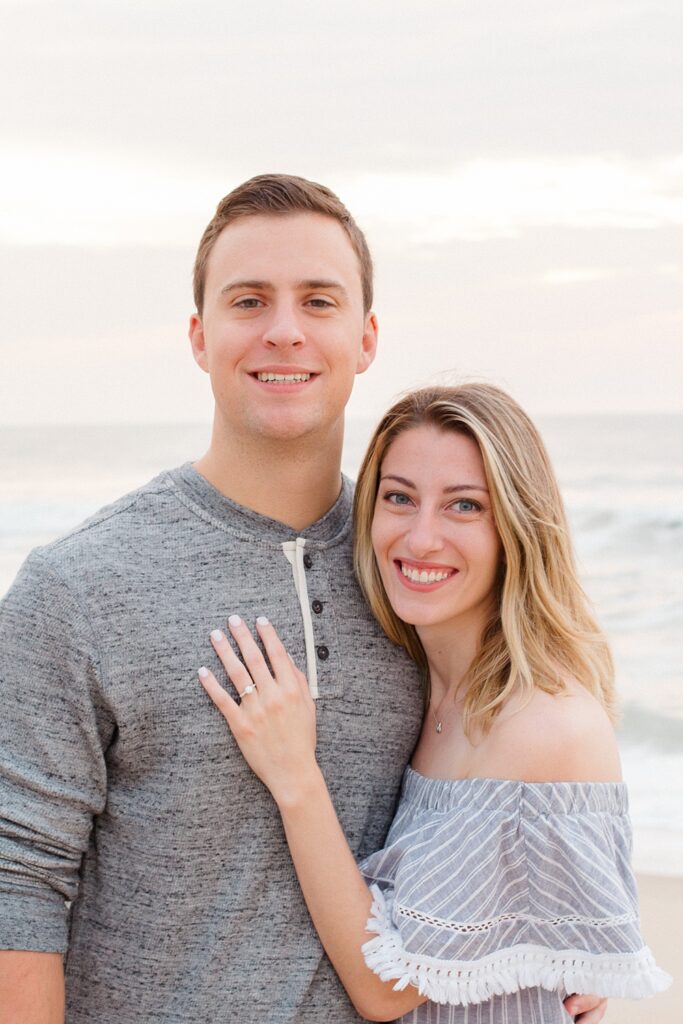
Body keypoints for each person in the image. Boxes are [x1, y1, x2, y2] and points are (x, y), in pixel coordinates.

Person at [0, 176, 607, 1024]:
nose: (284, 330)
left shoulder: (416, 580)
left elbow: (506, 766)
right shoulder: (77, 588)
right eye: (249, 300)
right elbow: (18, 878)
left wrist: (545, 942)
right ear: (198, 335)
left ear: (363, 338)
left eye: (317, 301)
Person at [197, 384, 671, 1023]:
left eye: (464, 506)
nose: (421, 539)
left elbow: (385, 989)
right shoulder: (422, 688)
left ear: (517, 527)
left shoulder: (543, 725)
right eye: (399, 497)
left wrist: (294, 777)